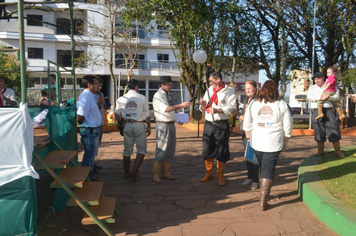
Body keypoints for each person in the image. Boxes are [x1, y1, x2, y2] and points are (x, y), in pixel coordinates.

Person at [243, 80, 293, 211]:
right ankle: (263, 201)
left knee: (262, 168)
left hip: (257, 142)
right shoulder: (281, 104)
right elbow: (288, 126)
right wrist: (286, 142)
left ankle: (263, 196)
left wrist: (249, 139)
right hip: (274, 142)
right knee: (268, 169)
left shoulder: (254, 104)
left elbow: (247, 123)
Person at [199, 71, 236, 186]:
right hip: (209, 123)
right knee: (207, 148)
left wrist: (217, 110)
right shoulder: (209, 90)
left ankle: (220, 175)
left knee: (222, 149)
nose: (210, 83)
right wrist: (202, 104)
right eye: (209, 81)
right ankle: (208, 173)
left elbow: (231, 108)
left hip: (221, 124)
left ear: (218, 79)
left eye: (211, 81)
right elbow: (204, 107)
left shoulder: (229, 91)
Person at [152, 76, 191, 183]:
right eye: (168, 84)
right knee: (161, 149)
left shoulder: (167, 95)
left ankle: (165, 172)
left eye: (171, 84)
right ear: (162, 84)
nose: (171, 86)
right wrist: (181, 105)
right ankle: (155, 173)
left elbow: (171, 110)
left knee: (170, 149)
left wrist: (178, 118)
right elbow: (167, 108)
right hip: (163, 125)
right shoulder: (158, 96)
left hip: (170, 124)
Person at [115, 79, 151, 182]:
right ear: (136, 86)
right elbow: (147, 115)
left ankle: (126, 172)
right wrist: (148, 127)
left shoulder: (122, 98)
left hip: (127, 125)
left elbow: (117, 114)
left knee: (127, 149)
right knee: (141, 149)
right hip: (139, 124)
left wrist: (120, 123)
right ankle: (134, 170)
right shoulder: (142, 98)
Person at [307, 72, 345, 158]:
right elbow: (309, 97)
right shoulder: (312, 88)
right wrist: (320, 98)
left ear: (323, 78)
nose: (317, 81)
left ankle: (338, 151)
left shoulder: (330, 85)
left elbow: (337, 96)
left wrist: (328, 97)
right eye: (315, 79)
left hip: (329, 110)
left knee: (334, 129)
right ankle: (320, 151)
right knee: (318, 130)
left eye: (318, 78)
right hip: (316, 110)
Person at [76, 75, 102, 181]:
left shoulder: (90, 96)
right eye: (96, 83)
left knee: (91, 156)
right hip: (89, 131)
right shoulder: (86, 97)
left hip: (93, 130)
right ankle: (85, 179)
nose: (98, 86)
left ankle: (89, 177)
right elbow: (81, 117)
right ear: (89, 85)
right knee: (88, 157)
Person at [239, 80, 259, 190]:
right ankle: (250, 177)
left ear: (255, 88)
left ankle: (255, 180)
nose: (247, 90)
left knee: (253, 156)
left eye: (249, 88)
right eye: (246, 88)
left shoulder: (257, 100)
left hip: (253, 132)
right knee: (247, 155)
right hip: (245, 130)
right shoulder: (247, 100)